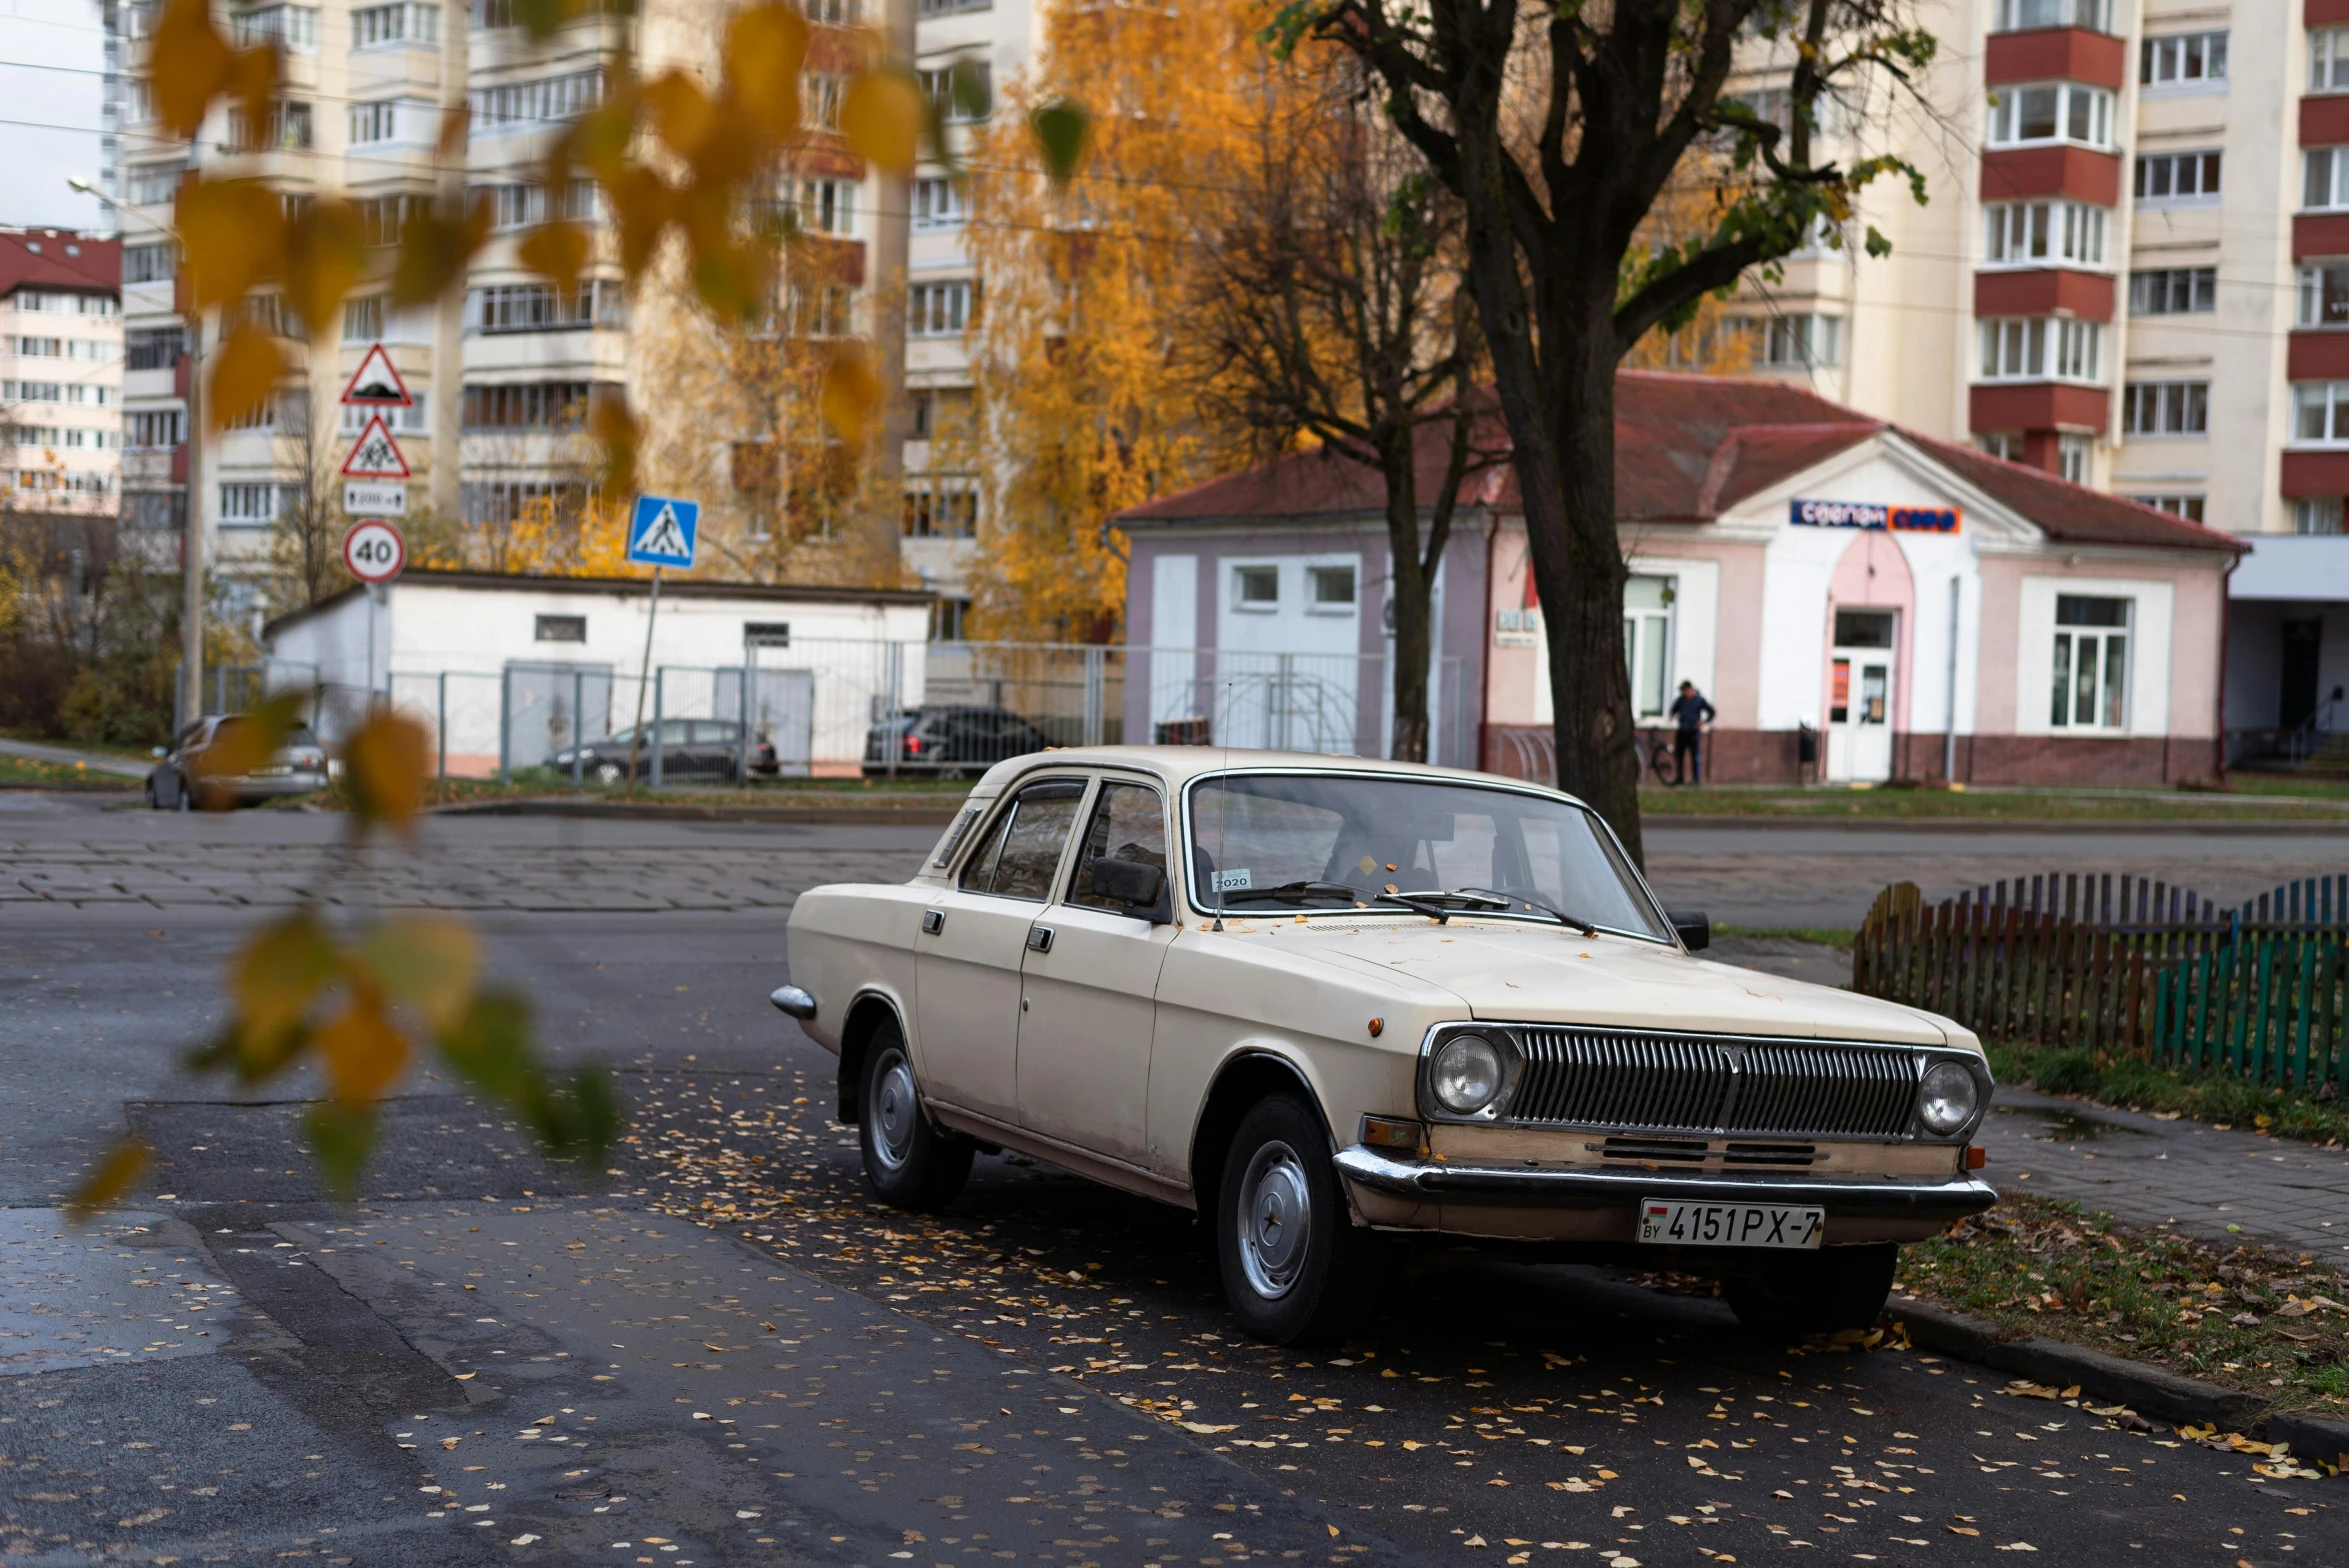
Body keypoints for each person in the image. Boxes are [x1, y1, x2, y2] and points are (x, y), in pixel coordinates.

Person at [1668, 680, 1715, 786]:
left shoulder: (1698, 700)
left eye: (1685, 690)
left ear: (1690, 690)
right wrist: (1672, 716)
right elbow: (1673, 711)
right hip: (1682, 731)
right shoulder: (1680, 701)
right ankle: (1679, 778)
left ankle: (1695, 780)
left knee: (1694, 756)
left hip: (1693, 731)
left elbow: (1711, 712)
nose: (1684, 693)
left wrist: (1703, 722)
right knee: (1679, 756)